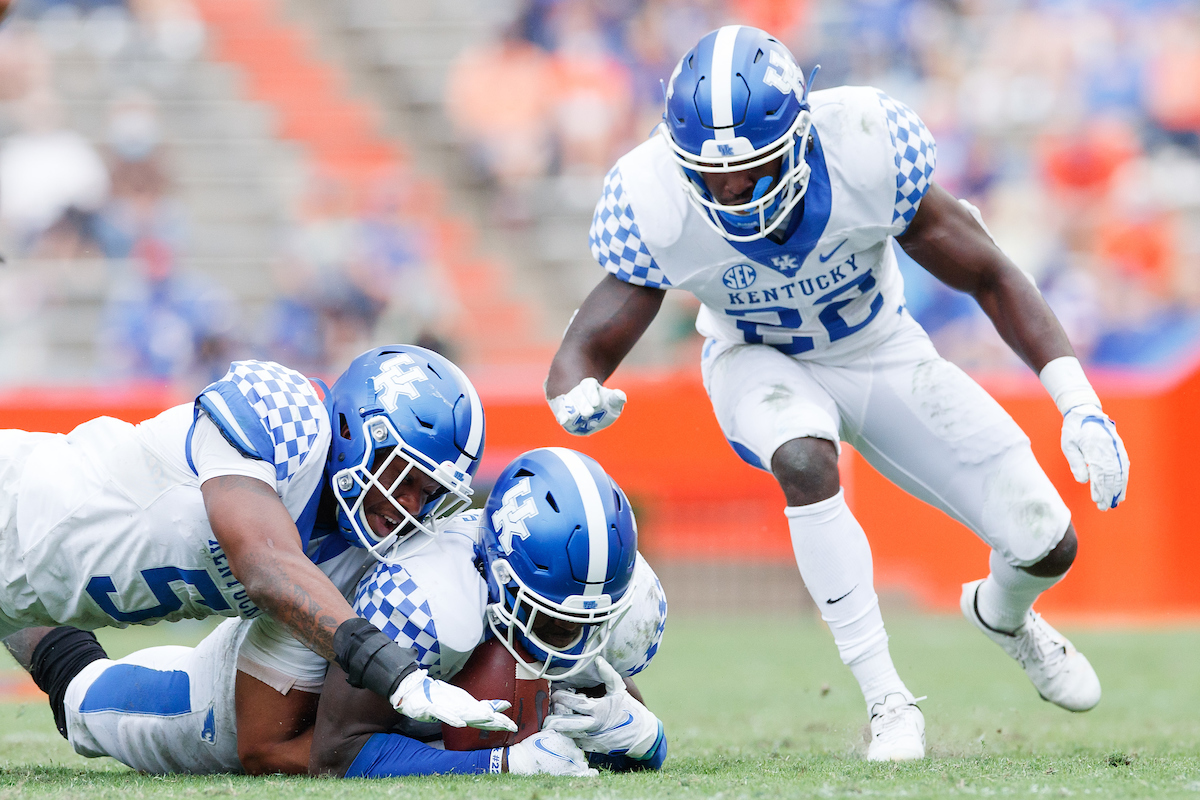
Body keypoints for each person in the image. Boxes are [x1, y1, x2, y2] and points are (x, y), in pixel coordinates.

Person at [544, 25, 1130, 761]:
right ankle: (889, 701)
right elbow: (585, 348)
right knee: (804, 457)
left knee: (1048, 542)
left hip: (884, 355)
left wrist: (1078, 403)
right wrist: (573, 393)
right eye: (709, 173)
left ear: (797, 136)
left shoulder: (864, 144)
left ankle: (1003, 616)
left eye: (751, 168)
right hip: (758, 362)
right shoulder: (654, 197)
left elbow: (991, 274)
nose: (728, 190)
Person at [27, 448, 667, 777]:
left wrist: (642, 734)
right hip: (261, 693)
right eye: (551, 618)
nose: (567, 641)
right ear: (500, 570)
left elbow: (596, 685)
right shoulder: (426, 602)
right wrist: (495, 764)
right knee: (83, 696)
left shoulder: (584, 586)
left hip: (365, 675)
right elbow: (332, 753)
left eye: (585, 620)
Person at [2, 344, 515, 748]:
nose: (409, 506)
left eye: (429, 494)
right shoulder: (284, 410)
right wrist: (394, 672)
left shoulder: (349, 558)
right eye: (403, 476)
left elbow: (36, 585)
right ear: (354, 430)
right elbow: (263, 563)